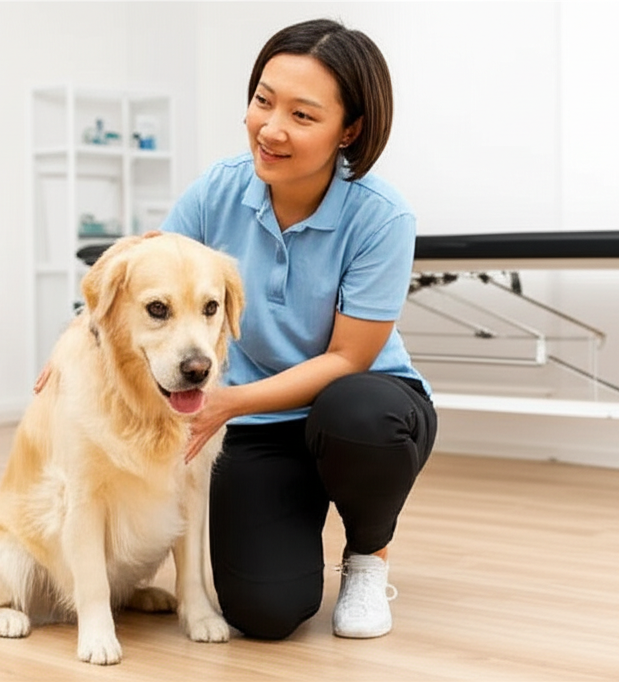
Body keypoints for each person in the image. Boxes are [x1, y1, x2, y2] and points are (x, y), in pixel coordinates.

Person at [158, 18, 437, 641]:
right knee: (264, 613)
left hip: (362, 404)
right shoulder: (217, 191)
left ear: (351, 129)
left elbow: (348, 357)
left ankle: (368, 555)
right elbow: (148, 272)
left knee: (357, 414)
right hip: (258, 426)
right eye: (263, 100)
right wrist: (80, 340)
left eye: (303, 116)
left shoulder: (381, 216)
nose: (271, 128)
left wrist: (224, 403)